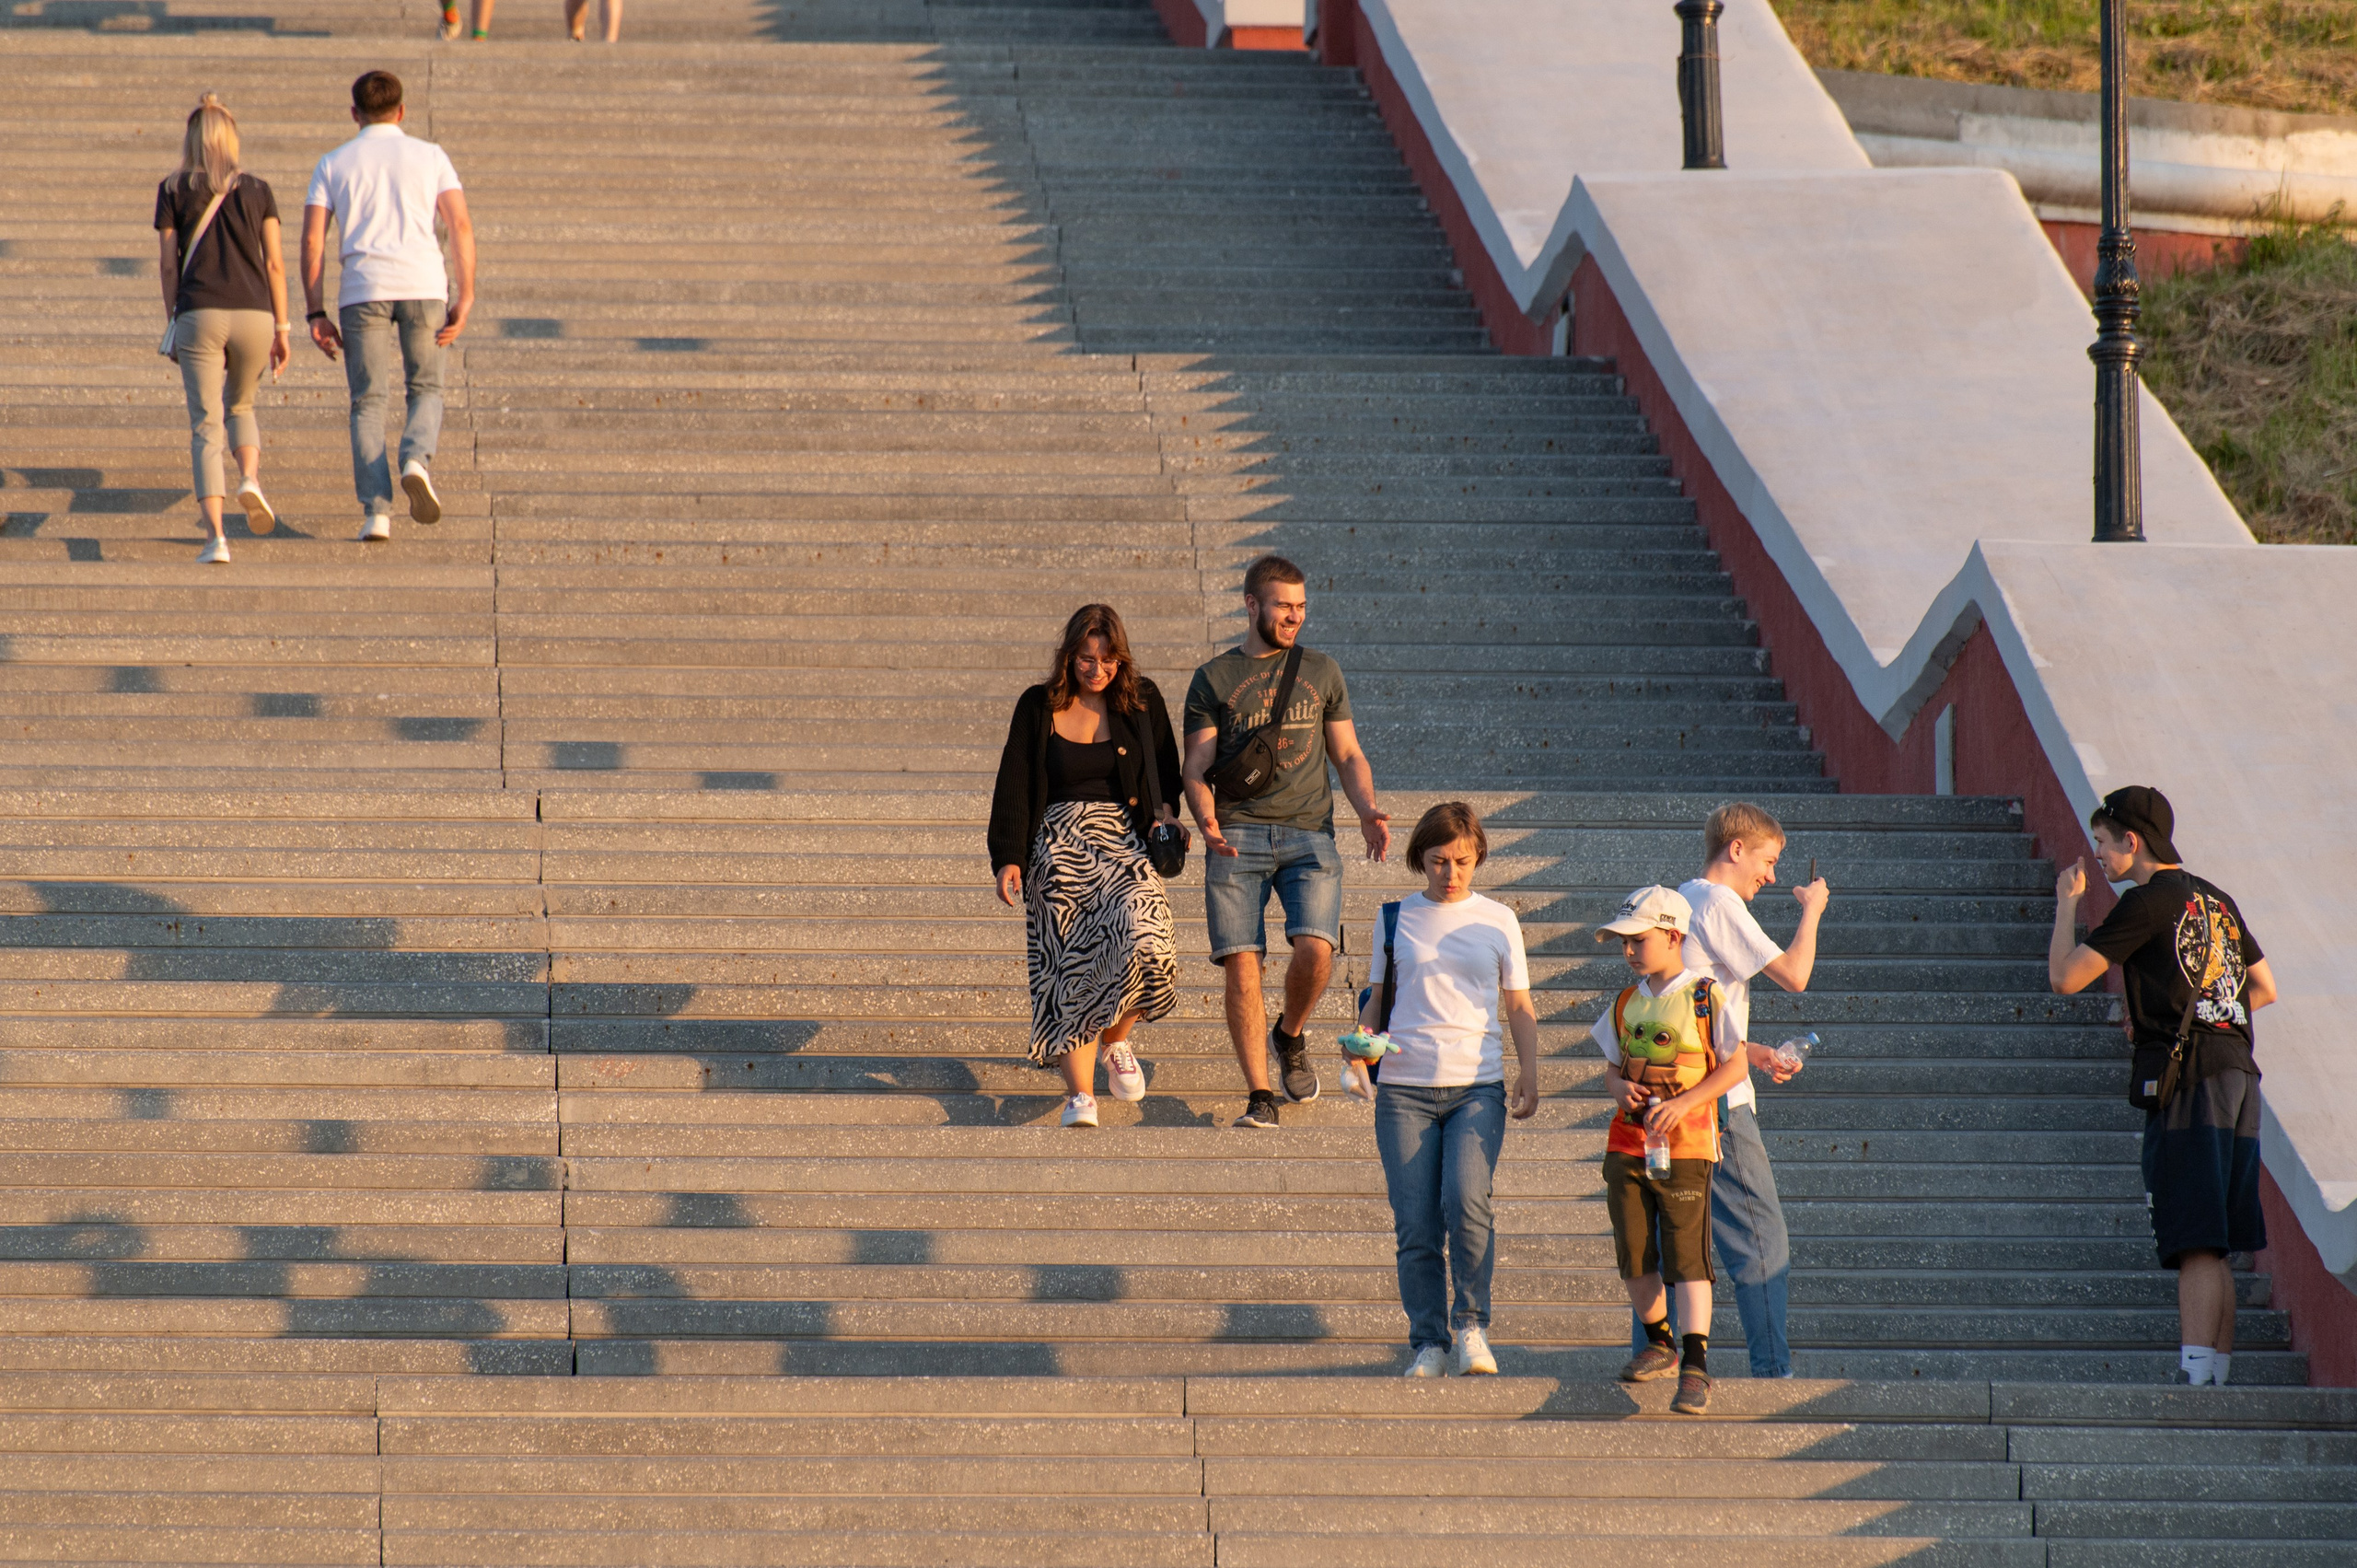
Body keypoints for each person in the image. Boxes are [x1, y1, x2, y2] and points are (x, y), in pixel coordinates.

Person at [2049, 785, 2275, 1387]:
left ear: (2133, 840)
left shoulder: (2147, 901)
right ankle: (2214, 1375)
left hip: (2192, 1081)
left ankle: (2195, 1377)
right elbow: (2264, 986)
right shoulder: (2216, 898)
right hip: (2238, 1071)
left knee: (2194, 1240)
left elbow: (2067, 977)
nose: (2096, 854)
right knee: (2216, 1240)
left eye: (2102, 840)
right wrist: (2199, 1010)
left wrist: (2067, 904)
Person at [1182, 555, 1389, 1130]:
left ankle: (1289, 1032)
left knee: (1317, 950)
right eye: (1282, 606)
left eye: (1300, 607)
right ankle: (1259, 1094)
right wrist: (1207, 823)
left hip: (1309, 834)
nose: (1294, 616)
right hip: (1237, 836)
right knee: (1242, 967)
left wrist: (1367, 810)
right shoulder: (1214, 678)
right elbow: (1196, 766)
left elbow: (1347, 754)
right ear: (1252, 606)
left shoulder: (1322, 671)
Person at [1628, 801, 1829, 1379]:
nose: (1770, 875)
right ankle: (1773, 1371)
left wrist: (1756, 1052)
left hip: (1671, 1092)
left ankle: (1658, 1352)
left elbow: (1697, 1009)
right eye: (1767, 860)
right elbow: (1795, 975)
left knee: (1675, 1235)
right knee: (1761, 1237)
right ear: (1735, 849)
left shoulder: (1679, 902)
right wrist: (1813, 910)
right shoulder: (1719, 901)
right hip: (1716, 1103)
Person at [988, 605, 1185, 1130]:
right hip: (1055, 839)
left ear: (1120, 659)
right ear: (1068, 655)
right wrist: (1008, 855)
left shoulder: (1142, 701)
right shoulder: (1038, 705)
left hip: (1123, 836)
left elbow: (1166, 771)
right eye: (1085, 658)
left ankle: (1115, 1041)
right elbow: (1015, 778)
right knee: (1070, 950)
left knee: (1151, 936)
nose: (1095, 669)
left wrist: (1168, 818)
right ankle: (1081, 1095)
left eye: (1106, 659)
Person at [1360, 803, 1538, 1377]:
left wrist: (1530, 1072)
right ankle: (1427, 1343)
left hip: (1476, 1088)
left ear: (1478, 857)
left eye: (1462, 861)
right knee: (1415, 1223)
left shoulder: (1498, 919)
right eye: (1439, 861)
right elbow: (1377, 998)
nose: (1451, 873)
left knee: (1467, 1204)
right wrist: (1360, 1041)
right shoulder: (1394, 918)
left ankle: (1471, 1328)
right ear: (1420, 860)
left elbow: (1518, 1003)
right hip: (1404, 1090)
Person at [1592, 886, 1753, 1415]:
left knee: (1687, 1255)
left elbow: (1735, 1064)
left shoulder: (1704, 996)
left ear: (1673, 935)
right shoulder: (1625, 1001)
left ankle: (1696, 1364)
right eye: (1624, 942)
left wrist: (1686, 1104)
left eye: (1640, 939)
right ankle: (1657, 1338)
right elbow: (1613, 1067)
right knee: (1634, 1248)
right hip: (1628, 1142)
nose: (1630, 951)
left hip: (1686, 1147)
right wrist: (1619, 1089)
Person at [301, 70, 475, 544]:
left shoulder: (332, 163)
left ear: (354, 113)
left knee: (368, 402)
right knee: (426, 388)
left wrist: (315, 311)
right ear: (401, 111)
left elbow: (315, 238)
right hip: (424, 285)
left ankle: (376, 512)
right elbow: (459, 225)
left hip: (363, 290)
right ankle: (416, 459)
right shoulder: (430, 156)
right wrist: (466, 295)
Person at [156, 95, 290, 566]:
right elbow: (274, 262)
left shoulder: (173, 189)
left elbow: (169, 267)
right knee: (243, 404)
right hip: (256, 315)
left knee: (206, 426)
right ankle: (250, 478)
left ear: (191, 139)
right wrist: (284, 326)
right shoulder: (259, 189)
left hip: (201, 314)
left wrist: (174, 318)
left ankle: (217, 539)